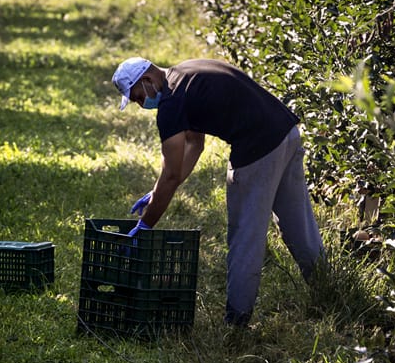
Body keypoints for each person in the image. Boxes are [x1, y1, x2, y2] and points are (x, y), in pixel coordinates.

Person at [112, 57, 324, 326]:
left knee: (244, 236)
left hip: (257, 147)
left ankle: (236, 322)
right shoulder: (184, 73)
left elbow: (172, 171)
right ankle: (328, 289)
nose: (142, 105)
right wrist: (160, 192)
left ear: (147, 80)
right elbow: (194, 143)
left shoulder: (171, 103)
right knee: (298, 225)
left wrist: (146, 224)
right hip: (286, 132)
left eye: (138, 98)